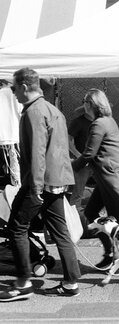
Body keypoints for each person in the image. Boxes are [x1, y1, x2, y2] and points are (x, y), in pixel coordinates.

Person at [0, 68, 81, 302]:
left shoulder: (34, 111)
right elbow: (61, 151)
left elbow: (37, 154)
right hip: (55, 181)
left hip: (40, 182)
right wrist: (66, 183)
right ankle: (70, 282)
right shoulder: (54, 110)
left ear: (25, 87)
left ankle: (23, 283)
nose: (13, 93)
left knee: (17, 228)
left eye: (14, 88)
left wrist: (34, 189)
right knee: (61, 232)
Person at [72, 88, 119, 272]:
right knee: (93, 213)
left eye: (85, 102)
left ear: (90, 104)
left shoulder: (98, 124)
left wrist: (70, 167)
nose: (84, 105)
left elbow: (89, 154)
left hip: (111, 179)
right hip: (109, 178)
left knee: (115, 221)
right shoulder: (108, 121)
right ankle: (112, 255)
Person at [68, 106, 93, 209]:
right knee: (78, 194)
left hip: (98, 162)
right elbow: (68, 141)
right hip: (83, 165)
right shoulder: (78, 122)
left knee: (106, 192)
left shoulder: (101, 121)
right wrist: (79, 156)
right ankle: (74, 221)